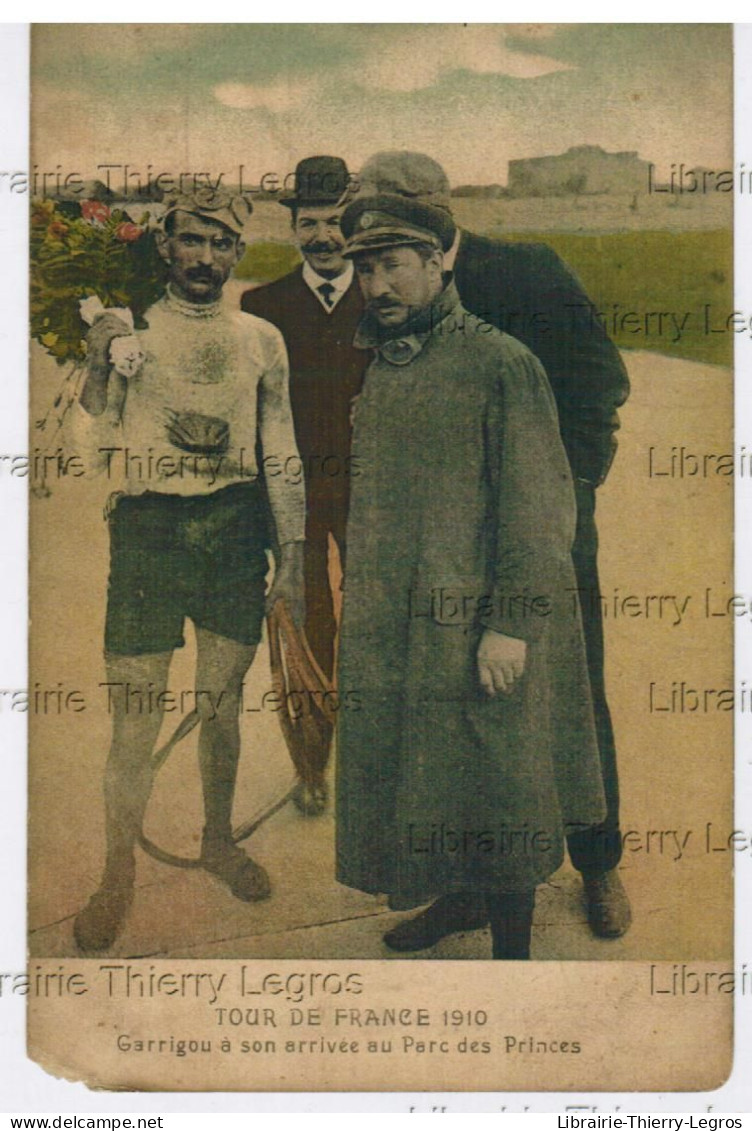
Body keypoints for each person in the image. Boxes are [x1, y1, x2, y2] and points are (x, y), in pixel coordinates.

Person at [351, 151, 631, 950]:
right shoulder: (394, 288)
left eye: (396, 214)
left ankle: (597, 856)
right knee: (451, 714)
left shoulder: (528, 271)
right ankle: (467, 889)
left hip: (543, 526)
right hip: (444, 544)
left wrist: (560, 494)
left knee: (568, 692)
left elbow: (601, 386)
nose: (376, 256)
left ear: (439, 217)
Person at [71, 188, 305, 952]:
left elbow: (280, 445)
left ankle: (216, 839)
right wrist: (98, 361)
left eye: (220, 244)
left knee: (221, 704)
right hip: (149, 530)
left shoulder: (261, 338)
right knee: (134, 718)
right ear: (166, 247)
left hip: (235, 527)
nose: (205, 258)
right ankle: (116, 874)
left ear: (238, 254)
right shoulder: (127, 328)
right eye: (191, 241)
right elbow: (85, 442)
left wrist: (294, 553)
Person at [241, 157, 366, 814]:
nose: (324, 237)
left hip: (372, 494)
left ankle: (376, 762)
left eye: (336, 222)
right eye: (310, 223)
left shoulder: (386, 296)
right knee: (305, 624)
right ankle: (311, 763)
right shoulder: (261, 306)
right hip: (294, 496)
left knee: (374, 624)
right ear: (293, 227)